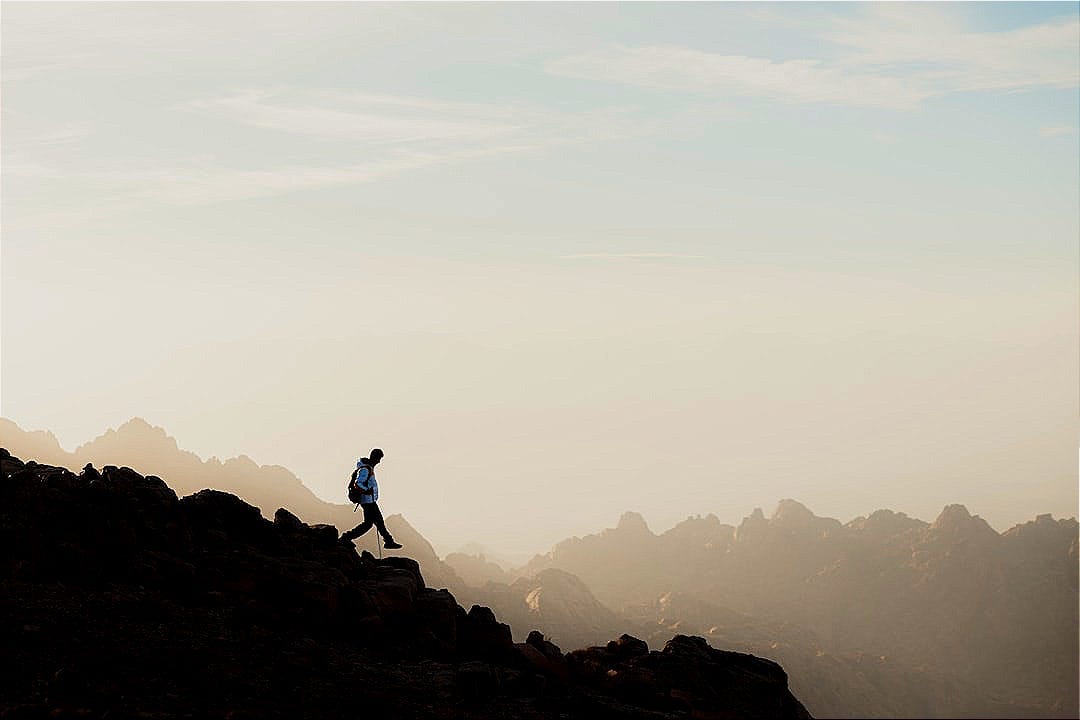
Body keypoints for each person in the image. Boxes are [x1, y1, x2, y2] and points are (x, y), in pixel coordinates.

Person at [340, 448, 402, 549]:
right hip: (367, 501)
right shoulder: (365, 469)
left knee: (373, 523)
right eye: (378, 459)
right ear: (374, 457)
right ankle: (346, 537)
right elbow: (358, 483)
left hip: (369, 500)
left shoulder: (368, 468)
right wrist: (366, 491)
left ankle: (388, 541)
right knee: (373, 523)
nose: (379, 461)